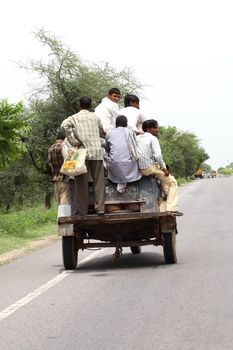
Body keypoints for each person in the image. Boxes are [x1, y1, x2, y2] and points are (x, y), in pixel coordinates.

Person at [61, 96, 106, 216]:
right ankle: (100, 208)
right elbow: (102, 131)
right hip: (96, 152)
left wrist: (73, 140)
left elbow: (63, 126)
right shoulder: (95, 117)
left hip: (81, 153)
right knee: (99, 182)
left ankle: (82, 210)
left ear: (78, 105)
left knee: (81, 183)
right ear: (90, 105)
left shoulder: (73, 118)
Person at [136, 119, 179, 213]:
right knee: (173, 182)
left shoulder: (137, 138)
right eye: (155, 127)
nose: (157, 129)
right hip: (150, 168)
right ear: (149, 129)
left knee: (164, 182)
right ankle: (171, 209)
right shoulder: (153, 139)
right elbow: (158, 156)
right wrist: (164, 169)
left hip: (140, 169)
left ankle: (166, 203)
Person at [105, 115, 141, 193]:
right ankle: (123, 183)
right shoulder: (131, 132)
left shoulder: (109, 133)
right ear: (126, 124)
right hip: (129, 165)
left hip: (114, 165)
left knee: (106, 155)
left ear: (116, 123)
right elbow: (135, 147)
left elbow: (107, 148)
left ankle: (121, 182)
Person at [48, 131, 71, 205]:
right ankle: (65, 217)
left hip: (55, 179)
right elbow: (68, 162)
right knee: (65, 203)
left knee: (59, 203)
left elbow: (50, 164)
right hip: (64, 179)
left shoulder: (50, 149)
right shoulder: (64, 147)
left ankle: (60, 216)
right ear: (65, 138)